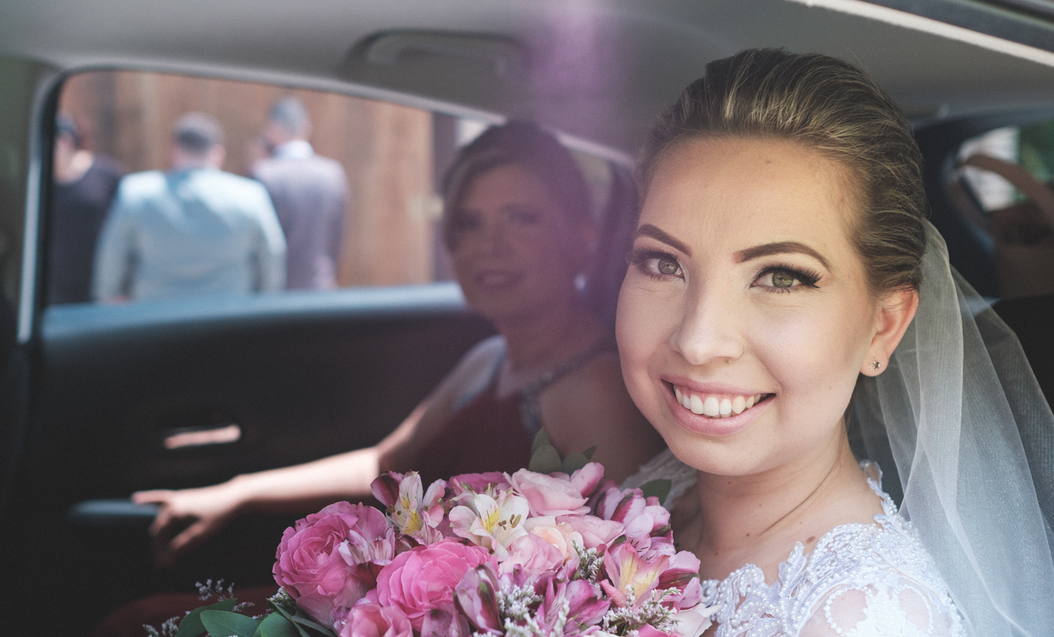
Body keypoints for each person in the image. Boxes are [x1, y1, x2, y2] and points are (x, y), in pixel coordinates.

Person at [619, 49, 1054, 637]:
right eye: (663, 263)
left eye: (781, 276)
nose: (700, 339)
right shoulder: (654, 493)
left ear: (884, 325)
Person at [134, 120, 665, 567]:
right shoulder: (487, 360)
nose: (490, 246)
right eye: (470, 223)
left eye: (521, 218)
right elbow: (385, 464)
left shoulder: (596, 390)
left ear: (583, 235)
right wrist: (239, 492)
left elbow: (612, 572)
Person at [92, 112, 286, 301]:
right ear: (218, 153)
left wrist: (107, 298)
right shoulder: (250, 195)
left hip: (156, 321)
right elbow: (273, 251)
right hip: (229, 319)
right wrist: (265, 302)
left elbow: (112, 253)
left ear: (175, 150)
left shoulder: (136, 192)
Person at [250, 96, 349, 289]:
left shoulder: (263, 174)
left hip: (278, 295)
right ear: (306, 127)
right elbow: (337, 240)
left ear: (273, 129)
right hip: (320, 289)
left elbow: (256, 245)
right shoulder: (333, 173)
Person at [48, 113, 124, 304]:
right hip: (54, 288)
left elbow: (128, 228)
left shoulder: (107, 175)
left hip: (101, 284)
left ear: (64, 142)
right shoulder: (36, 182)